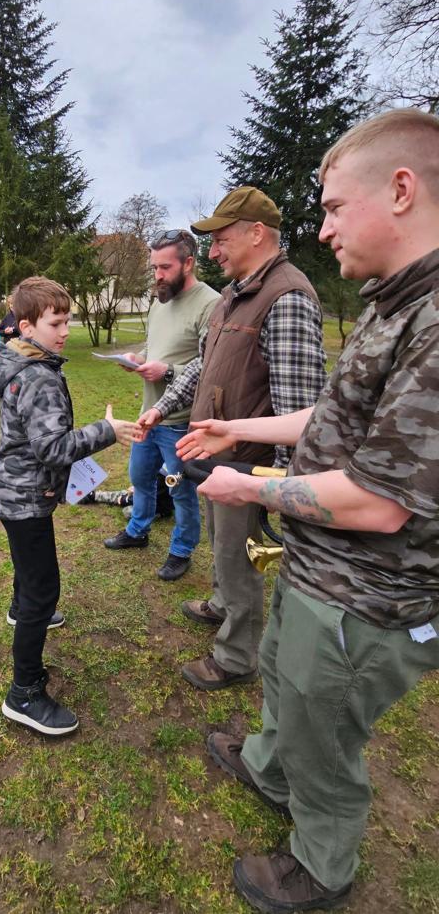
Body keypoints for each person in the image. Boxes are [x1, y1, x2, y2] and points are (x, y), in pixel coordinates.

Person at [175, 109, 439, 914]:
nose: (322, 230)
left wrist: (250, 486)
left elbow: (381, 504)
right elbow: (330, 413)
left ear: (402, 190)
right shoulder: (392, 304)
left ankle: (322, 864)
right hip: (320, 566)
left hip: (370, 595)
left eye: (332, 207)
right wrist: (240, 430)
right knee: (286, 681)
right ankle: (267, 766)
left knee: (324, 731)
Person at [138, 187, 326, 690]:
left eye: (222, 239)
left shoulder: (286, 297)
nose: (214, 251)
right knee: (221, 546)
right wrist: (161, 407)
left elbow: (302, 409)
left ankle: (237, 657)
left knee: (240, 558)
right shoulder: (233, 295)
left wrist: (281, 488)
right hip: (215, 455)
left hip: (249, 464)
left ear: (257, 233)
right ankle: (221, 606)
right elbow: (202, 366)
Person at [0, 276, 139, 735]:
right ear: (26, 326)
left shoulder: (20, 360)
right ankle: (24, 693)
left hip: (14, 492)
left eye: (67, 320)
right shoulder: (37, 376)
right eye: (55, 323)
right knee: (43, 590)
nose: (65, 331)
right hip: (26, 499)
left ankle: (19, 607)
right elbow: (53, 449)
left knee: (28, 572)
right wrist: (107, 431)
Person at [104, 230, 220, 580]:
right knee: (140, 478)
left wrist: (166, 371)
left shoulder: (211, 304)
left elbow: (211, 367)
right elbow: (156, 349)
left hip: (182, 422)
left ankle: (182, 550)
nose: (157, 275)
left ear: (188, 263)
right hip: (148, 414)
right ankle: (138, 530)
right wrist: (138, 359)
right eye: (154, 267)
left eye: (165, 267)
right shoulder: (159, 302)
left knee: (181, 491)